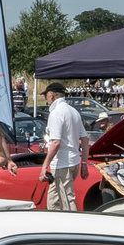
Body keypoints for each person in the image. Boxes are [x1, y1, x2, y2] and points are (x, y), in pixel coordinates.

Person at [41, 82, 88, 211]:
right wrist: (84, 162)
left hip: (62, 164)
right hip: (72, 162)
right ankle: (56, 222)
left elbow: (56, 143)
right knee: (53, 201)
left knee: (67, 200)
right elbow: (85, 139)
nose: (46, 99)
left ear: (52, 95)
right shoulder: (73, 111)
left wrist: (44, 166)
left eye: (46, 96)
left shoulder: (56, 113)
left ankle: (72, 223)